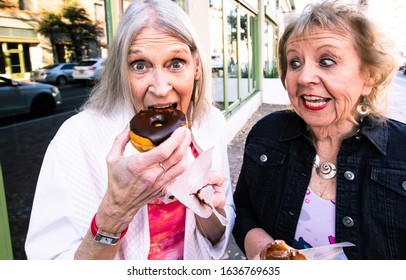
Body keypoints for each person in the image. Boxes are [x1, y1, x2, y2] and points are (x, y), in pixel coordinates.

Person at [25, 0, 235, 260]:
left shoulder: (211, 123)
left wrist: (208, 210)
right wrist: (116, 209)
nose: (160, 88)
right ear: (121, 72)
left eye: (176, 63)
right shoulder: (75, 140)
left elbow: (216, 237)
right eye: (140, 65)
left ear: (197, 67)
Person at [233, 0, 406, 260]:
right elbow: (245, 212)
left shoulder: (401, 151)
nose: (303, 77)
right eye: (295, 63)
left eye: (326, 61)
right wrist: (264, 253)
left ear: (368, 77)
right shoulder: (267, 135)